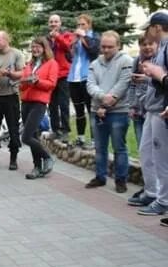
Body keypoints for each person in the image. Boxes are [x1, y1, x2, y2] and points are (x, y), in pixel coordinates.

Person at [85, 30, 132, 193]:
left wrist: (109, 101)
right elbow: (90, 84)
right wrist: (103, 97)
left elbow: (123, 83)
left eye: (110, 47)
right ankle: (100, 176)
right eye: (103, 46)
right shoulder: (94, 64)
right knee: (100, 147)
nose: (105, 50)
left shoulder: (126, 61)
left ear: (118, 46)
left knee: (119, 147)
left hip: (119, 111)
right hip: (96, 110)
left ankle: (121, 179)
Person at [136, 9, 168, 218]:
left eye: (150, 29)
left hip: (161, 111)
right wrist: (150, 76)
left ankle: (163, 200)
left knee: (162, 157)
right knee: (149, 153)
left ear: (157, 27)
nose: (148, 35)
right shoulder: (162, 48)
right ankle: (154, 194)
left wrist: (157, 74)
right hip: (154, 108)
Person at [19, 36, 59, 179]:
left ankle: (47, 157)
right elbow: (22, 85)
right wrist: (24, 82)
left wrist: (37, 81)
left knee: (26, 137)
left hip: (39, 103)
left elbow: (52, 84)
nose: (35, 49)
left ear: (44, 48)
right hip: (26, 103)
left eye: (38, 47)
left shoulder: (51, 63)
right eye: (33, 47)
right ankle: (37, 167)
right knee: (33, 136)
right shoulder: (29, 64)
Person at [0, 31, 24, 170]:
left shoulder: (16, 54)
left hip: (11, 95)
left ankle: (13, 159)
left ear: (7, 39)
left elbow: (21, 73)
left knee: (13, 128)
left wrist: (11, 74)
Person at [126, 34, 157, 203]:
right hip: (139, 112)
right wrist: (131, 106)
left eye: (150, 44)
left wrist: (147, 77)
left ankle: (156, 190)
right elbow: (131, 84)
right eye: (143, 44)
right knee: (143, 152)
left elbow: (160, 83)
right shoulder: (136, 61)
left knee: (156, 153)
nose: (147, 47)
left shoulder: (159, 60)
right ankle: (148, 187)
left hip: (154, 111)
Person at [67, 14, 100, 147]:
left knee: (91, 109)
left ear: (89, 25)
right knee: (78, 110)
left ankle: (93, 140)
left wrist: (83, 36)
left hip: (88, 77)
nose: (80, 27)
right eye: (78, 25)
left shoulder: (94, 37)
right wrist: (72, 44)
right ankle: (80, 137)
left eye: (83, 25)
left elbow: (93, 51)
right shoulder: (77, 39)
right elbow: (69, 57)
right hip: (73, 77)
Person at [47, 14, 74, 142]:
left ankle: (65, 131)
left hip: (63, 74)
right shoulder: (47, 39)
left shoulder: (67, 35)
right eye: (51, 22)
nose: (53, 24)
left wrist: (57, 37)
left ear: (60, 23)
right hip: (51, 76)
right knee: (52, 105)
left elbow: (67, 46)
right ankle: (55, 129)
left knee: (64, 104)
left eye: (56, 21)